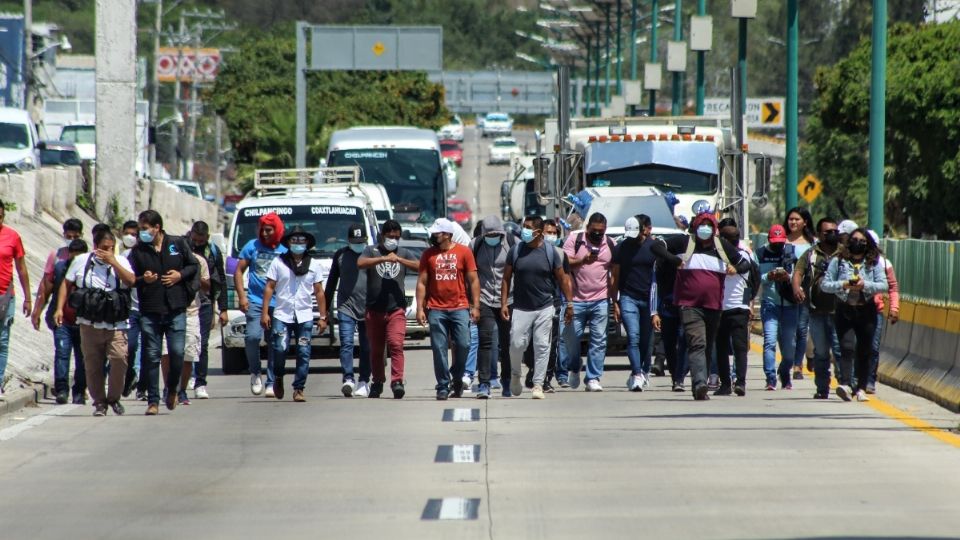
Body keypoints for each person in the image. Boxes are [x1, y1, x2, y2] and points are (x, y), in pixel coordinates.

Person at [661, 212, 750, 400]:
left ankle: (700, 383)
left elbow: (744, 264)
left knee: (708, 345)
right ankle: (700, 383)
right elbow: (656, 246)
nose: (705, 229)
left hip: (714, 306)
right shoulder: (684, 243)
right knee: (697, 343)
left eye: (710, 225)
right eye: (703, 224)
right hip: (689, 304)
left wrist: (736, 268)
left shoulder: (721, 246)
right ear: (695, 227)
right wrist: (674, 260)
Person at [126, 210, 199, 415]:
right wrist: (143, 279)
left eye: (145, 228)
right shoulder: (138, 252)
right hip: (150, 309)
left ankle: (172, 389)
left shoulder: (177, 244)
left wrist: (180, 275)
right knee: (151, 355)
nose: (141, 233)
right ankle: (153, 401)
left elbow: (193, 266)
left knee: (177, 352)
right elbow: (130, 277)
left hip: (176, 308)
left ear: (156, 228)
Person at [55, 229, 135, 416]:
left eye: (112, 248)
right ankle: (99, 402)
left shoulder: (120, 261)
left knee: (119, 359)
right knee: (92, 364)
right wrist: (59, 308)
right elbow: (66, 284)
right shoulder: (81, 261)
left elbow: (131, 280)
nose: (108, 251)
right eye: (104, 248)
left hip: (115, 323)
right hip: (89, 323)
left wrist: (113, 262)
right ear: (95, 246)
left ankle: (114, 397)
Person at [500, 216, 572, 399]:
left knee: (542, 346)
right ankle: (516, 375)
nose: (524, 230)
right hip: (521, 308)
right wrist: (503, 303)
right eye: (523, 226)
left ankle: (538, 384)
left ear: (538, 232)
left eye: (528, 227)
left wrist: (569, 304)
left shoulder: (550, 252)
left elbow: (563, 278)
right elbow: (506, 278)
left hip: (545, 307)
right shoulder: (516, 251)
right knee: (516, 345)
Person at [611, 215, 679, 392]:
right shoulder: (620, 248)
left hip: (649, 299)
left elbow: (665, 271)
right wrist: (615, 302)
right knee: (633, 336)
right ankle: (636, 374)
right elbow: (615, 277)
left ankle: (645, 369)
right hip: (628, 297)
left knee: (646, 342)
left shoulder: (654, 247)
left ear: (644, 230)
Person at [820, 228, 888, 402]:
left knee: (865, 350)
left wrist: (864, 285)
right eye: (854, 239)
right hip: (845, 309)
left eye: (862, 241)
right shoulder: (838, 261)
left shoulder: (873, 263)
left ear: (867, 244)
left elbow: (883, 285)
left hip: (867, 310)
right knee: (846, 347)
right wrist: (843, 284)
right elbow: (825, 284)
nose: (857, 243)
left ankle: (861, 387)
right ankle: (845, 383)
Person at [260, 227, 328, 402]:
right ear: (288, 243)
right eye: (294, 241)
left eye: (302, 241)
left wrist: (322, 317)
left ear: (307, 244)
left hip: (304, 315)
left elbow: (319, 291)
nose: (298, 244)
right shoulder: (278, 262)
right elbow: (269, 287)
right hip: (282, 314)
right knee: (280, 349)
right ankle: (279, 376)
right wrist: (265, 312)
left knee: (304, 351)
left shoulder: (314, 265)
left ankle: (299, 388)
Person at [416, 218, 480, 400]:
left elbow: (474, 280)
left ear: (447, 234)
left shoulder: (464, 252)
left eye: (437, 233)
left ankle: (457, 376)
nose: (434, 236)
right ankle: (443, 385)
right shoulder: (428, 255)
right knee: (439, 348)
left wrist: (476, 306)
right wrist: (420, 308)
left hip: (460, 307)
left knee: (464, 344)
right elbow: (422, 282)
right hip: (436, 309)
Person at [359, 220, 419, 399]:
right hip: (374, 309)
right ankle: (377, 381)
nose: (393, 240)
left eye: (396, 237)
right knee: (376, 349)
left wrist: (399, 259)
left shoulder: (403, 253)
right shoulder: (372, 251)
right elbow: (360, 263)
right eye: (390, 237)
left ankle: (397, 381)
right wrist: (383, 259)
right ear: (383, 236)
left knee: (396, 344)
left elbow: (420, 266)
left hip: (396, 310)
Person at [561, 212, 616, 392]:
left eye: (601, 231)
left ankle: (593, 377)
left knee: (599, 340)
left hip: (600, 300)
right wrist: (582, 260)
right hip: (576, 300)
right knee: (571, 339)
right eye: (594, 231)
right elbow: (564, 262)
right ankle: (575, 366)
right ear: (587, 228)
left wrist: (615, 300)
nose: (598, 234)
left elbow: (615, 271)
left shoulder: (610, 244)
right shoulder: (574, 239)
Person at [234, 213, 286, 398]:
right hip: (255, 300)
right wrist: (242, 296)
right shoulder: (251, 246)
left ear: (277, 229)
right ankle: (255, 372)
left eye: (269, 230)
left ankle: (271, 382)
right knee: (252, 337)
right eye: (262, 229)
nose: (264, 233)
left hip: (279, 303)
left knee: (276, 343)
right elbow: (239, 271)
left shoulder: (285, 249)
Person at [792, 218, 843, 399]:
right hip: (816, 312)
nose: (832, 235)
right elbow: (798, 272)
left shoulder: (844, 253)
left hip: (839, 312)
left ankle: (844, 383)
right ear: (819, 235)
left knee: (839, 350)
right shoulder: (811, 254)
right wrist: (796, 288)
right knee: (820, 352)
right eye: (828, 232)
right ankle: (822, 387)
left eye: (835, 231)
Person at [38, 239, 88, 404]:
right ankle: (61, 390)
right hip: (63, 320)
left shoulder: (91, 271)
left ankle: (79, 391)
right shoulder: (60, 268)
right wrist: (38, 311)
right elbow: (48, 288)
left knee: (83, 358)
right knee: (62, 354)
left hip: (84, 322)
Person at [469, 216, 513, 399]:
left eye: (496, 234)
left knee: (507, 344)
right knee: (485, 341)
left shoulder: (512, 243)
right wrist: (474, 304)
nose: (493, 237)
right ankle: (484, 384)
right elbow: (469, 275)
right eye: (489, 234)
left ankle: (507, 382)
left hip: (509, 300)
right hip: (485, 299)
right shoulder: (475, 245)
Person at [325, 224, 372, 398]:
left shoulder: (372, 254)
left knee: (367, 347)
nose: (357, 244)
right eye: (354, 241)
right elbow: (331, 283)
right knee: (346, 343)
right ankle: (348, 379)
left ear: (366, 241)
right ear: (348, 241)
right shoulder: (341, 255)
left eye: (361, 242)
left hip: (368, 307)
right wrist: (324, 312)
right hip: (346, 306)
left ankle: (364, 381)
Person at [755, 224, 801, 391]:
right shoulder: (760, 253)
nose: (778, 246)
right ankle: (770, 377)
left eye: (780, 242)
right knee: (769, 341)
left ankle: (784, 371)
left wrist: (787, 277)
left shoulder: (792, 252)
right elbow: (755, 278)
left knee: (789, 346)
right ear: (769, 240)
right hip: (770, 303)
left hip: (789, 304)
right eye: (775, 243)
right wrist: (770, 276)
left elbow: (800, 275)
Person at [162, 252, 209, 406]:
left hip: (191, 312)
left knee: (188, 354)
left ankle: (181, 390)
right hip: (168, 311)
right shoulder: (166, 258)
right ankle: (169, 388)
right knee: (167, 353)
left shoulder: (199, 260)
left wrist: (189, 275)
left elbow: (208, 287)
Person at [714, 219, 753, 396]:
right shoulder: (716, 256)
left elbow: (752, 281)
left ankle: (739, 383)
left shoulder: (744, 256)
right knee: (725, 349)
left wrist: (748, 303)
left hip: (737, 308)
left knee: (738, 348)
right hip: (721, 309)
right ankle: (727, 384)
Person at [189, 221, 227, 400]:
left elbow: (220, 281)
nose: (197, 243)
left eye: (200, 240)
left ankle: (200, 382)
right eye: (194, 239)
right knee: (183, 343)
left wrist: (223, 308)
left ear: (207, 238)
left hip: (204, 304)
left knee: (202, 345)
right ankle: (185, 376)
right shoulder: (181, 247)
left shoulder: (213, 252)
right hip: (183, 304)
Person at [0, 200, 32, 397]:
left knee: (2, 341)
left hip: (5, 297)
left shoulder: (12, 236)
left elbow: (21, 269)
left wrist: (28, 298)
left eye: (1, 216)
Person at [784, 207, 816, 381]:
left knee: (802, 329)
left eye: (797, 219)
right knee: (786, 331)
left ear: (805, 222)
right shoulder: (782, 241)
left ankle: (798, 366)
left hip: (805, 292)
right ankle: (787, 362)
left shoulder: (813, 244)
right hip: (783, 292)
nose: (793, 222)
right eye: (791, 219)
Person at [866, 229, 899, 395]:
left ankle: (870, 380)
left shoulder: (884, 264)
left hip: (875, 311)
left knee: (873, 346)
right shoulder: (851, 262)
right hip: (853, 309)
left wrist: (894, 308)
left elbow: (893, 288)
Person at [118, 220, 146, 400]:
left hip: (150, 310)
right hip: (132, 310)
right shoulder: (126, 255)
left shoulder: (152, 255)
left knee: (148, 350)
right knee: (131, 346)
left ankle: (143, 386)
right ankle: (130, 376)